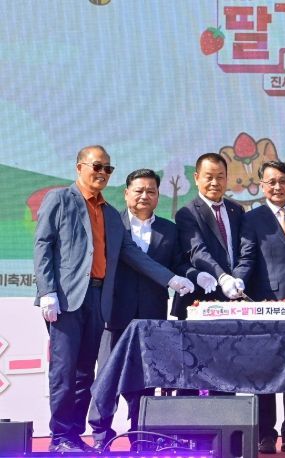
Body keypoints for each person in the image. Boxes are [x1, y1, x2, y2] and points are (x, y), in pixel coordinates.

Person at [33, 146, 194, 452]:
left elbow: (130, 253)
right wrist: (47, 291)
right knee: (64, 371)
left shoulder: (108, 213)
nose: (102, 173)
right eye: (97, 166)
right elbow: (43, 244)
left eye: (108, 168)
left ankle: (74, 437)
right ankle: (59, 437)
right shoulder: (60, 199)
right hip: (65, 299)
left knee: (84, 373)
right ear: (79, 167)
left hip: (98, 299)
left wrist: (170, 279)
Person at [86, 169, 214, 450]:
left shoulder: (169, 229)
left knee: (145, 377)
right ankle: (100, 435)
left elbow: (178, 264)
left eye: (151, 191)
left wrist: (196, 275)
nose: (145, 196)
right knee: (107, 376)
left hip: (152, 314)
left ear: (158, 196)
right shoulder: (112, 224)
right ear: (126, 193)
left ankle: (140, 433)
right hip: (114, 314)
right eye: (139, 190)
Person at [232, 161, 285, 454]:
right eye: (271, 182)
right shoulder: (252, 218)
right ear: (262, 185)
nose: (278, 187)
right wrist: (237, 281)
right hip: (266, 303)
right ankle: (265, 434)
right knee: (265, 370)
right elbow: (247, 258)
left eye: (283, 181)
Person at [171, 152, 244, 319]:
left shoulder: (236, 210)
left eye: (220, 177)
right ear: (196, 178)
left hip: (236, 299)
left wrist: (238, 278)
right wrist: (223, 278)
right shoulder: (187, 213)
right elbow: (197, 251)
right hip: (201, 300)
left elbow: (243, 250)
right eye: (209, 177)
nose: (215, 183)